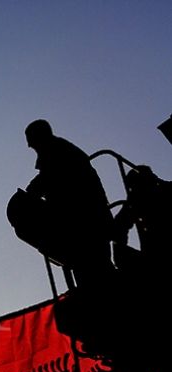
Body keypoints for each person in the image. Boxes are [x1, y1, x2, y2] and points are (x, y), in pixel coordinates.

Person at [24, 119, 114, 288]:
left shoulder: (57, 154)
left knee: (94, 272)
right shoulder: (61, 152)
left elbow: (49, 180)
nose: (31, 147)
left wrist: (30, 194)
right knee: (94, 269)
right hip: (88, 223)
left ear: (40, 138)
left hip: (85, 224)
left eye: (33, 143)